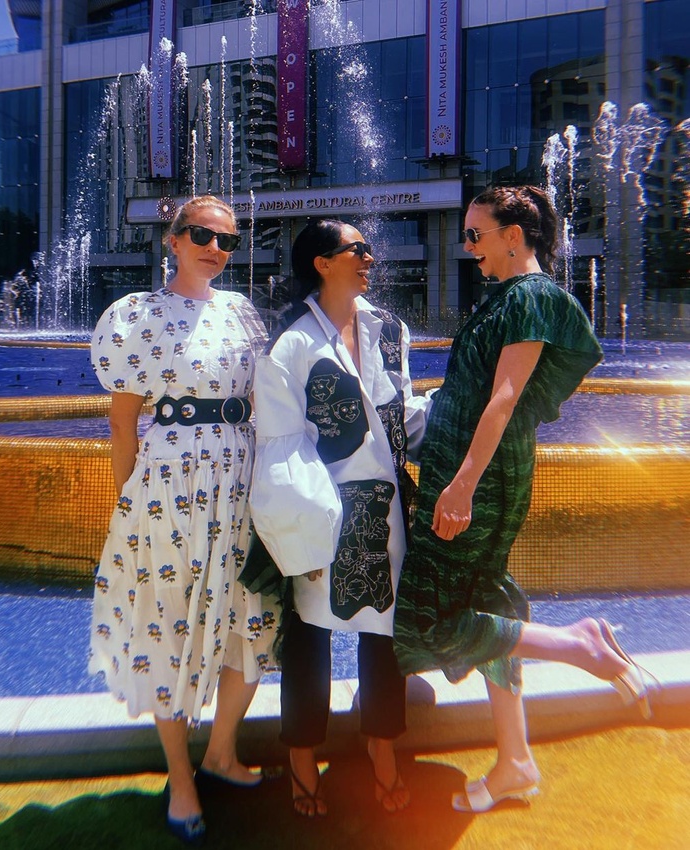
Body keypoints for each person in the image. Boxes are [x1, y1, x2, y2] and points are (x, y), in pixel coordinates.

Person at [393, 185, 654, 814]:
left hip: (476, 479)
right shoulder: (510, 297)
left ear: (514, 236)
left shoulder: (530, 297)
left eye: (475, 234)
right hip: (471, 470)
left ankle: (579, 645)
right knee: (487, 600)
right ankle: (515, 761)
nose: (467, 247)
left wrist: (461, 484)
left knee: (429, 620)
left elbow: (504, 400)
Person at [89, 194, 278, 845]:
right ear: (173, 240)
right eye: (201, 234)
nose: (215, 248)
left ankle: (221, 752)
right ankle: (181, 780)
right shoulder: (138, 315)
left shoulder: (242, 311)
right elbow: (122, 423)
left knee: (254, 615)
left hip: (241, 480)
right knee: (168, 624)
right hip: (169, 486)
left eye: (227, 239)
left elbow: (264, 401)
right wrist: (126, 506)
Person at [249, 219, 430, 817]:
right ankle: (302, 756)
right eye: (358, 249)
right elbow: (280, 443)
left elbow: (402, 412)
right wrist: (303, 523)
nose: (369, 257)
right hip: (320, 506)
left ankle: (383, 745)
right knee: (309, 632)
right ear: (322, 263)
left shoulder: (388, 330)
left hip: (385, 506)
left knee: (386, 633)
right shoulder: (292, 344)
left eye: (369, 249)